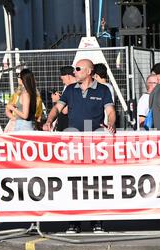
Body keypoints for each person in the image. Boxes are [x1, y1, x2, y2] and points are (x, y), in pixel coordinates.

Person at [43, 59, 116, 234]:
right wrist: (48, 121)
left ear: (89, 71)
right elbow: (58, 108)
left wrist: (111, 123)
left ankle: (97, 220)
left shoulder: (103, 90)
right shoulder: (69, 89)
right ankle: (73, 222)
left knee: (95, 181)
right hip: (73, 142)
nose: (74, 72)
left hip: (94, 143)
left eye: (78, 69)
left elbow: (111, 111)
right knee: (73, 182)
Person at [53, 66, 76, 132]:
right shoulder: (70, 88)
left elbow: (65, 111)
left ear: (68, 76)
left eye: (63, 79)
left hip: (69, 126)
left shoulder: (74, 88)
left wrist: (58, 100)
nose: (63, 82)